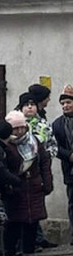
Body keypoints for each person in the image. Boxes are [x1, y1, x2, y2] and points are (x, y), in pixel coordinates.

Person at [0, 113, 52, 256]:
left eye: (22, 127)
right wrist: (10, 183)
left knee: (32, 220)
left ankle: (29, 250)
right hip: (16, 187)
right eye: (16, 128)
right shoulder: (7, 144)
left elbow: (44, 162)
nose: (19, 131)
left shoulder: (34, 141)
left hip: (34, 186)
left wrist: (46, 182)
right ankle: (10, 253)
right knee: (13, 222)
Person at [51, 85, 73, 242]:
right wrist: (69, 155)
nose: (65, 106)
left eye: (68, 102)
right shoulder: (57, 124)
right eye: (63, 103)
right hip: (70, 168)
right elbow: (54, 147)